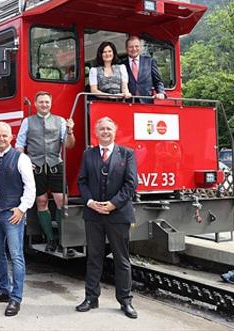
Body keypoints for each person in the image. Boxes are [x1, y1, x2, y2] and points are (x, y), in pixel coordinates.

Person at [75, 117, 138, 319]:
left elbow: (130, 184)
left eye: (109, 128)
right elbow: (82, 182)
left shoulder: (127, 154)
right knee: (94, 257)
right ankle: (91, 298)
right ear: (96, 131)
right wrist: (90, 202)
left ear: (115, 130)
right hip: (93, 214)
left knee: (122, 259)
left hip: (118, 214)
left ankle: (125, 301)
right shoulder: (88, 154)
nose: (105, 132)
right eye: (101, 129)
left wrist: (113, 204)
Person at [0, 122, 36, 317]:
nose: (1, 138)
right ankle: (3, 290)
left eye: (4, 135)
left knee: (16, 256)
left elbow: (30, 188)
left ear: (11, 137)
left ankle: (16, 298)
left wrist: (21, 209)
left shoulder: (22, 158)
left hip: (12, 215)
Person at [15, 91, 75, 254]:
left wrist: (70, 131)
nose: (44, 105)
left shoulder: (60, 121)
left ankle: (64, 240)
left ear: (50, 103)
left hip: (56, 164)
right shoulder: (27, 122)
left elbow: (69, 145)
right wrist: (25, 163)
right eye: (41, 102)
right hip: (36, 166)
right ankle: (50, 239)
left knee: (62, 201)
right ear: (35, 104)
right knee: (41, 201)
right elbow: (19, 145)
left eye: (47, 102)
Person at [123, 35, 166, 103]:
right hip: (127, 103)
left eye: (136, 46)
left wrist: (161, 92)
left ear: (140, 48)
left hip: (147, 102)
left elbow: (158, 81)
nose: (134, 49)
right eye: (131, 47)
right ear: (126, 48)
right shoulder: (121, 64)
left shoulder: (150, 61)